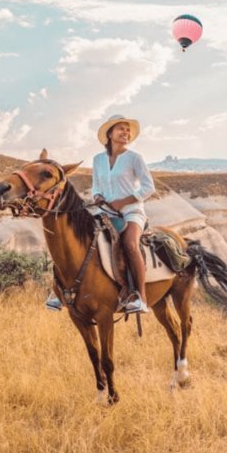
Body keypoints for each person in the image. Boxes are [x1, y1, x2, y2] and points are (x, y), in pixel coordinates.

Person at [46, 114, 155, 314]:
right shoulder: (98, 160)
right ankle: (58, 292)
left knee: (130, 243)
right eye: (121, 128)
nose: (126, 132)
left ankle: (140, 297)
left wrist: (124, 201)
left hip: (132, 212)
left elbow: (149, 187)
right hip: (104, 211)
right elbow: (96, 185)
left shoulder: (134, 158)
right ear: (110, 133)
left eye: (127, 129)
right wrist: (97, 196)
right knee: (72, 238)